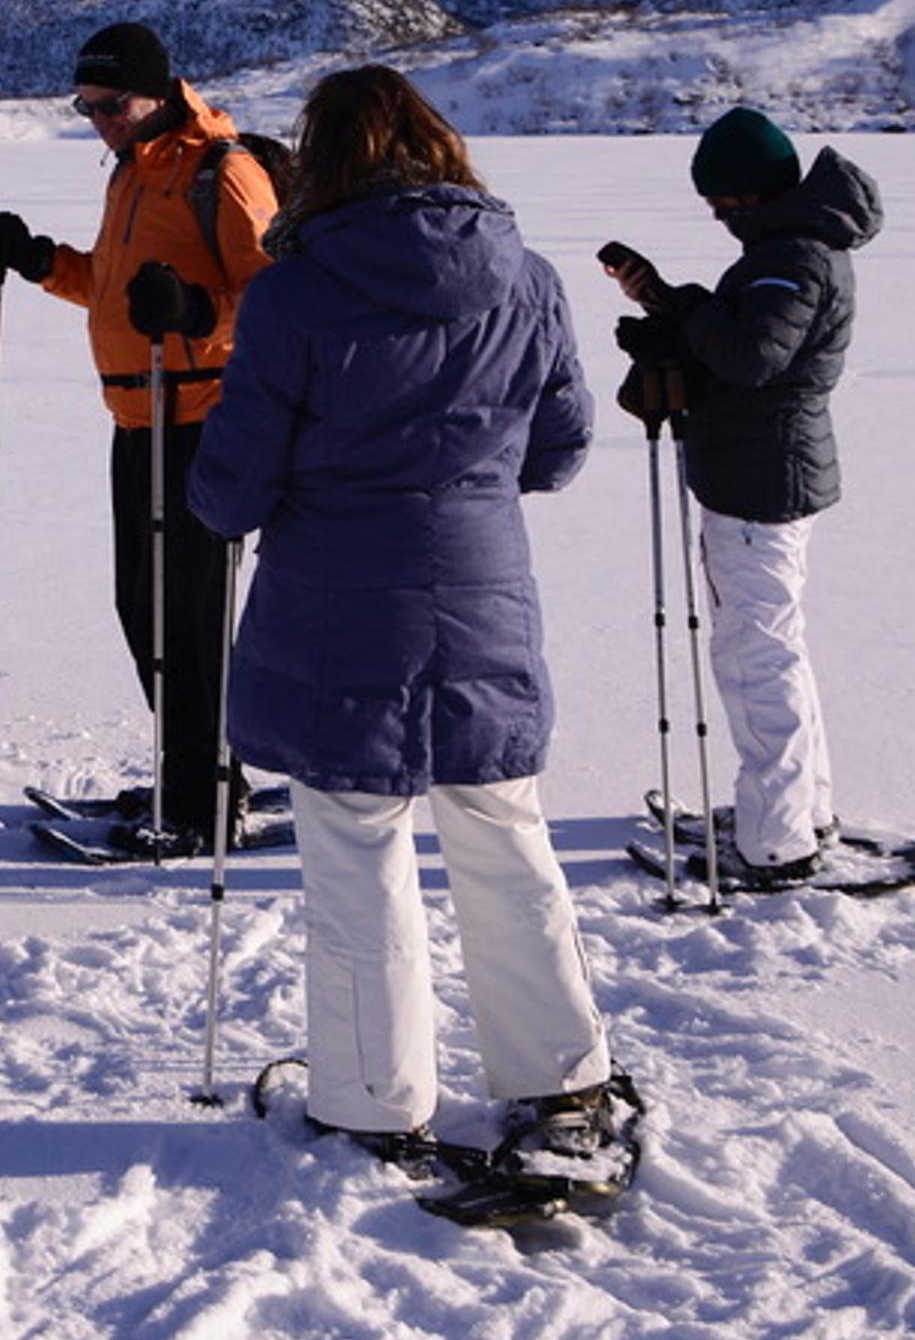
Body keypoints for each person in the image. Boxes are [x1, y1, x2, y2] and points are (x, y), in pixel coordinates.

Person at [186, 65, 624, 1171]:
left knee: (357, 851)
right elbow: (562, 449)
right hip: (484, 602)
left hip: (337, 614)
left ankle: (375, 1100)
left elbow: (230, 491)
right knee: (506, 838)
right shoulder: (527, 281)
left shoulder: (295, 294)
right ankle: (561, 1079)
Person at [0, 22, 278, 854]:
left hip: (204, 420)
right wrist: (41, 261)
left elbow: (278, 297)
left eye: (112, 104)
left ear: (157, 91)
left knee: (191, 618)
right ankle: (195, 771)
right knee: (142, 608)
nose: (100, 120)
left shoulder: (224, 170)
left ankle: (207, 796)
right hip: (136, 419)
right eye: (87, 107)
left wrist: (198, 313)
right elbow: (118, 292)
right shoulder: (133, 173)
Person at [601, 104, 886, 891]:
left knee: (756, 658)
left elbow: (754, 355)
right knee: (771, 647)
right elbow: (745, 335)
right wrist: (665, 298)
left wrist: (685, 315)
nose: (719, 217)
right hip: (765, 470)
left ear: (751, 194)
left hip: (761, 480)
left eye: (722, 204)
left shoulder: (790, 257)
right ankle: (793, 811)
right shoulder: (789, 249)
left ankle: (777, 841)